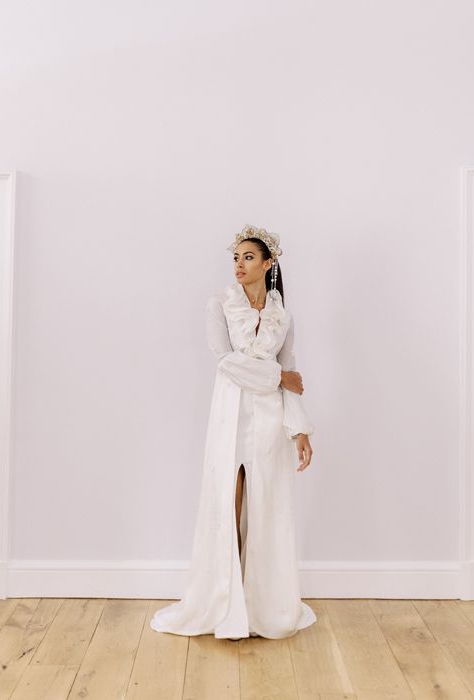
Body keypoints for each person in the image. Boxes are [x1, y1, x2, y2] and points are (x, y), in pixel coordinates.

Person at [149, 224, 316, 640]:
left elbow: (293, 373)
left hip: (269, 420)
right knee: (229, 503)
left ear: (268, 263)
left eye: (248, 258)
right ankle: (225, 605)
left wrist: (300, 431)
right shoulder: (220, 304)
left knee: (266, 509)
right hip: (231, 414)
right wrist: (278, 376)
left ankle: (261, 607)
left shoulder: (283, 314)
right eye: (235, 258)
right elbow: (224, 360)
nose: (239, 265)